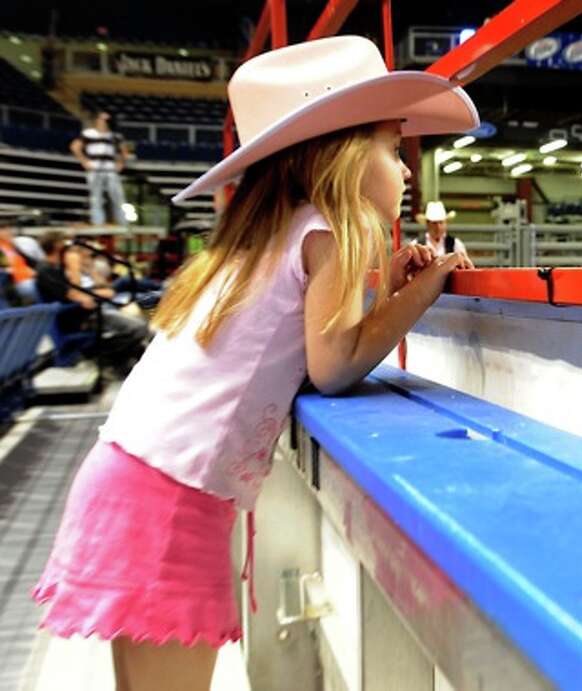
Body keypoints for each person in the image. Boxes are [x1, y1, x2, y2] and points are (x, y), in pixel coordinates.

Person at [30, 35, 477, 691]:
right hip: (170, 503)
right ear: (344, 153)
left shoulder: (275, 231)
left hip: (139, 479)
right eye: (391, 146)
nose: (408, 170)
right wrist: (427, 287)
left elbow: (298, 335)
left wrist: (392, 293)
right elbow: (335, 360)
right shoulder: (327, 229)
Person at [34, 232, 148, 373]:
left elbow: (84, 291)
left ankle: (118, 361)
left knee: (140, 331)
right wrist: (75, 267)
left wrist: (89, 271)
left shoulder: (56, 268)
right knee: (138, 329)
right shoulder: (47, 271)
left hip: (87, 313)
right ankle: (106, 358)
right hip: (77, 319)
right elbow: (77, 295)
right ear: (58, 247)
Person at [69, 111, 129, 226]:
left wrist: (121, 163)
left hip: (111, 170)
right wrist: (84, 161)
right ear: (97, 120)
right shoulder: (88, 133)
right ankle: (98, 223)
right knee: (96, 198)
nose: (105, 122)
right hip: (95, 169)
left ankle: (123, 224)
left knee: (118, 197)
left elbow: (124, 151)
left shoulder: (115, 136)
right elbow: (75, 147)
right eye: (103, 119)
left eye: (107, 120)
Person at [0, 224, 39, 304]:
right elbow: (4, 270)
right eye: (4, 230)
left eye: (8, 230)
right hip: (13, 282)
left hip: (29, 276)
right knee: (33, 287)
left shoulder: (11, 246)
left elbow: (31, 261)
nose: (8, 233)